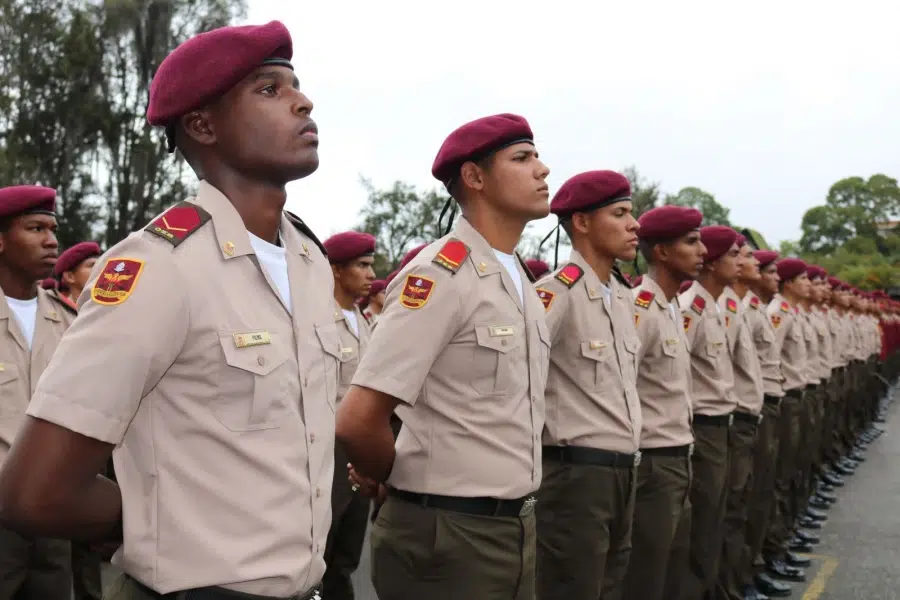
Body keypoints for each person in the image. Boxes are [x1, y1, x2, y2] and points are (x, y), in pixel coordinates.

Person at [0, 21, 335, 600]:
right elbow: (35, 489)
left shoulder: (309, 261)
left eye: (296, 86)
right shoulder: (161, 267)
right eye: (268, 89)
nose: (302, 101)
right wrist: (159, 522)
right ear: (202, 126)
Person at [335, 113, 551, 600]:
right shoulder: (439, 275)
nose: (542, 170)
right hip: (448, 534)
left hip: (513, 526)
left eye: (536, 156)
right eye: (522, 158)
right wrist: (399, 483)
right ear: (475, 177)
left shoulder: (518, 279)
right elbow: (357, 420)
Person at [532, 170, 642, 600]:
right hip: (576, 476)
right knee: (572, 588)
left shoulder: (620, 296)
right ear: (582, 223)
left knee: (610, 585)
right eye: (620, 214)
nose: (635, 225)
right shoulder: (556, 294)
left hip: (622, 470)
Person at [621, 205, 705, 600]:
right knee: (646, 575)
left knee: (673, 564)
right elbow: (621, 384)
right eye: (691, 241)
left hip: (677, 454)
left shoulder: (671, 306)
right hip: (653, 459)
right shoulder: (640, 308)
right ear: (662, 253)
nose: (702, 250)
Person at [0, 185, 77, 600]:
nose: (51, 240)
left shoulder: (68, 323)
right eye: (34, 228)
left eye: (53, 228)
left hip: (51, 515)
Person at [674, 225, 741, 600]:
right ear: (714, 263)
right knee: (700, 526)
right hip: (700, 428)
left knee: (719, 517)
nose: (741, 261)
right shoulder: (690, 309)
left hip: (721, 424)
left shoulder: (713, 307)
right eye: (734, 254)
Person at [321, 231, 376, 600]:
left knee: (348, 552)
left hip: (359, 449)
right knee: (319, 549)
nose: (371, 274)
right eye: (362, 265)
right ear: (337, 270)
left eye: (371, 265)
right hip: (327, 450)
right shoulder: (319, 319)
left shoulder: (365, 322)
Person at [714, 236, 767, 600]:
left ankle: (746, 575)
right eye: (738, 254)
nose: (751, 262)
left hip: (743, 419)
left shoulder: (734, 306)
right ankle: (731, 586)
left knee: (747, 502)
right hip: (717, 427)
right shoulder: (701, 309)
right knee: (722, 518)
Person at [742, 250, 795, 599]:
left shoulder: (754, 309)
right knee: (743, 504)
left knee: (772, 484)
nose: (774, 278)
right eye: (770, 272)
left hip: (766, 405)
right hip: (735, 419)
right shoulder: (738, 310)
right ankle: (749, 572)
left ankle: (764, 557)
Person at [761, 258, 812, 584]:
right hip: (772, 401)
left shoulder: (784, 311)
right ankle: (769, 553)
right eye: (806, 280)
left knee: (791, 468)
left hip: (791, 395)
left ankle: (783, 537)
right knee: (770, 483)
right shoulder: (776, 312)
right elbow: (772, 359)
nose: (811, 286)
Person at [53, 241, 101, 308]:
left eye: (101, 265)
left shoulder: (107, 308)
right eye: (92, 265)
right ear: (70, 277)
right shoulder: (58, 313)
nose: (101, 269)